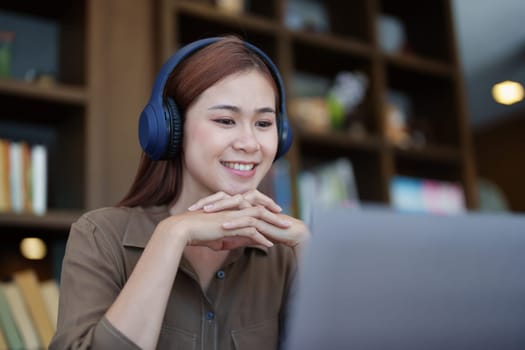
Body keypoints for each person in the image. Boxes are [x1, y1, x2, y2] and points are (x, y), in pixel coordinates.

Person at [49, 35, 310, 350]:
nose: (250, 144)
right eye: (226, 120)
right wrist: (172, 235)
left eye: (264, 123)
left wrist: (311, 253)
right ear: (169, 128)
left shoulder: (284, 254)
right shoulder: (100, 236)